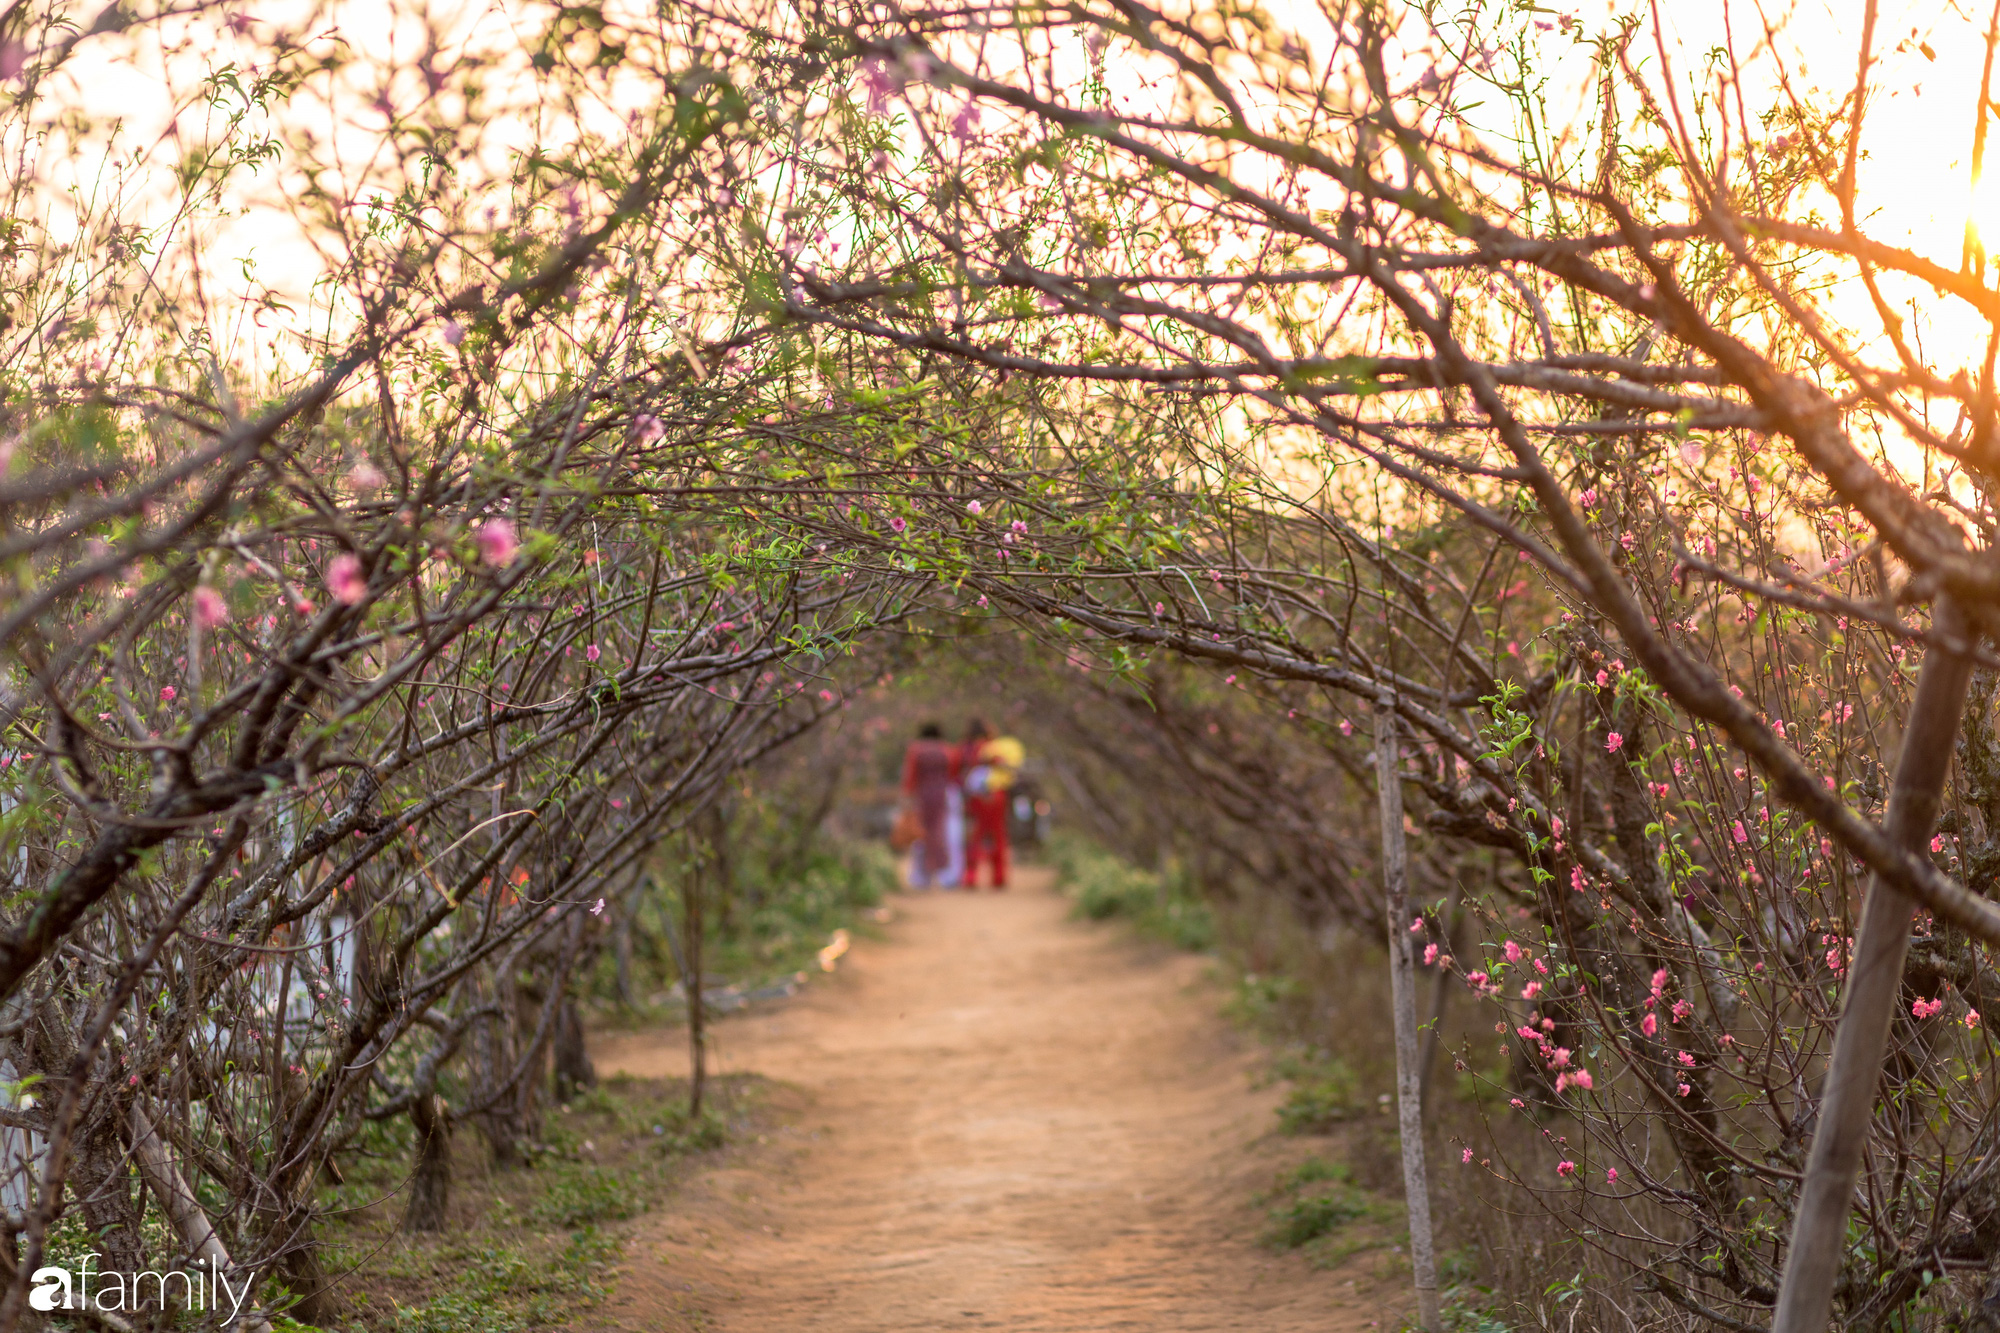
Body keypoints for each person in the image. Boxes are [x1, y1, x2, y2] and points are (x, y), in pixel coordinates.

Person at [961, 720, 1023, 890]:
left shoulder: (966, 749)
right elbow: (1007, 767)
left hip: (976, 797)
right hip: (996, 795)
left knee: (977, 835)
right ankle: (998, 877)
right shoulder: (996, 748)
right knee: (998, 836)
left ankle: (971, 876)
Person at [900, 723, 959, 889]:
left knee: (920, 835)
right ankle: (945, 875)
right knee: (940, 834)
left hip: (921, 797)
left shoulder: (916, 750)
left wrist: (907, 797)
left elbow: (910, 775)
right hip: (942, 796)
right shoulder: (947, 750)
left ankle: (921, 877)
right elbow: (953, 773)